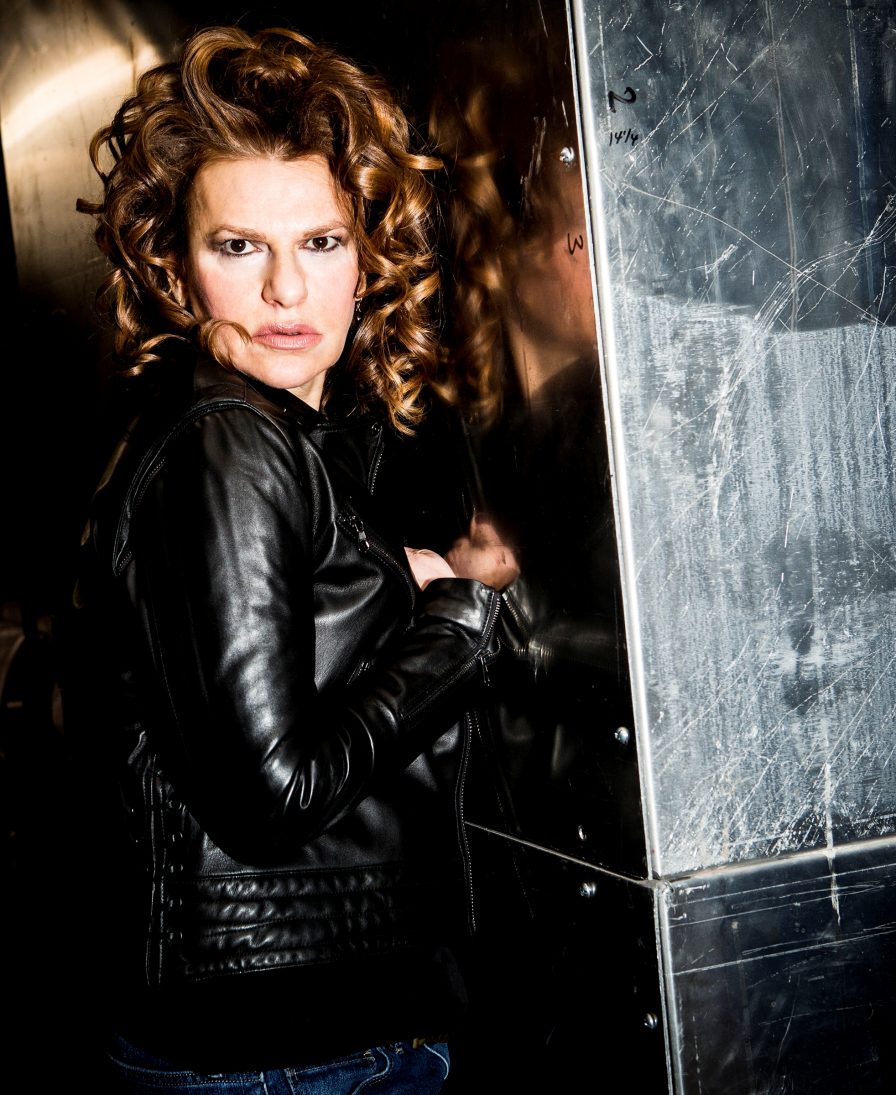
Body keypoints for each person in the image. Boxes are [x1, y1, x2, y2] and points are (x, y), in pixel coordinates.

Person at [73, 25, 511, 1094]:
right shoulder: (228, 439)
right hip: (287, 1056)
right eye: (238, 247)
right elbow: (275, 793)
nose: (284, 290)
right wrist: (453, 628)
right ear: (175, 268)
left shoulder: (282, 435)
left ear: (366, 262)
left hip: (304, 1040)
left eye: (319, 242)